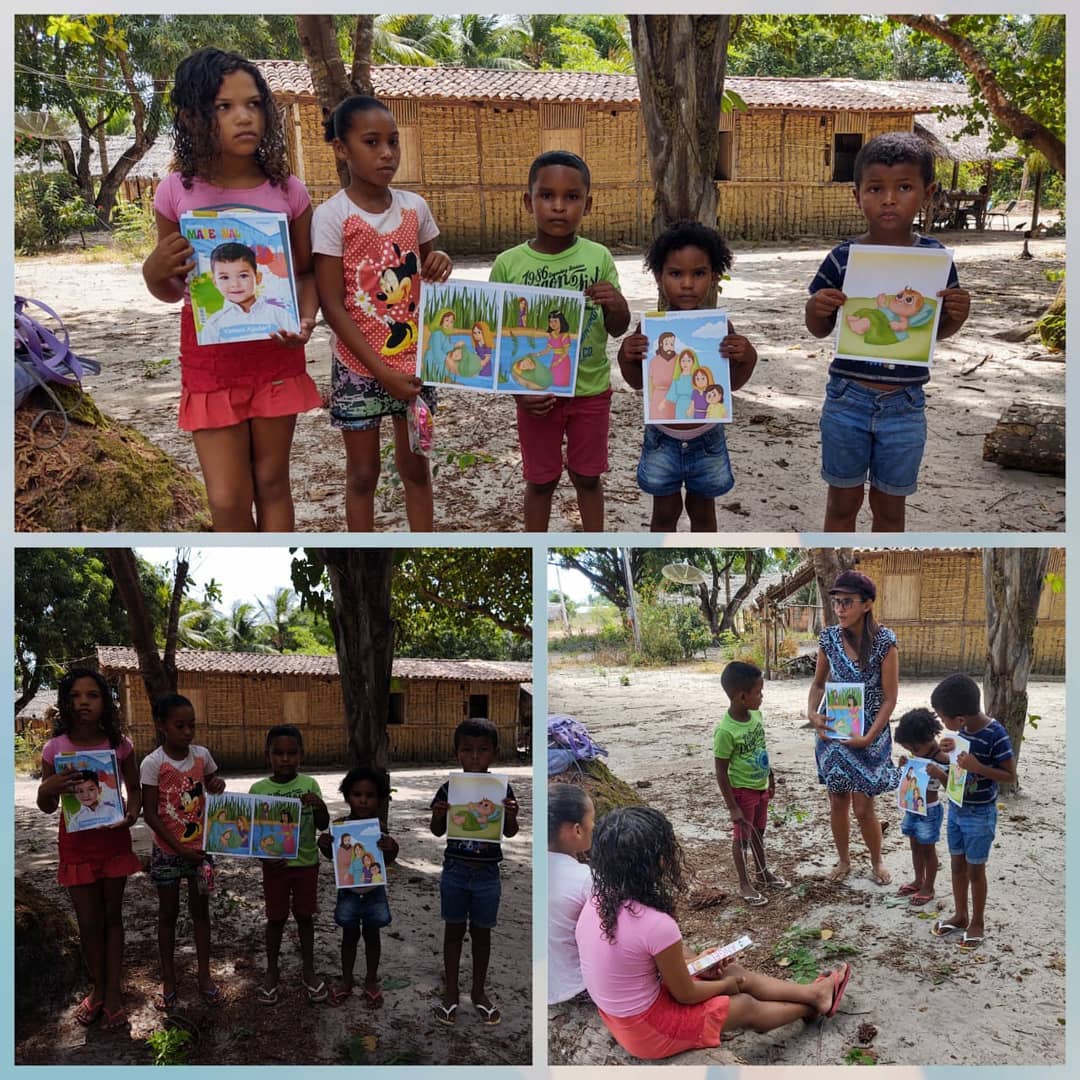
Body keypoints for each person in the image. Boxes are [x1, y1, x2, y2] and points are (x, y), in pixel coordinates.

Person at [142, 48, 321, 531]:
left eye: (254, 104)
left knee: (273, 483)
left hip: (275, 353)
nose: (244, 117)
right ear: (191, 116)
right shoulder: (176, 192)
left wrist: (306, 319)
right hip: (210, 357)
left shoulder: (288, 191)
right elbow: (171, 288)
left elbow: (304, 274)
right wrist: (153, 270)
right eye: (224, 106)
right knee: (225, 498)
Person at [575, 806, 850, 1060]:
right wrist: (725, 988)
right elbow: (686, 994)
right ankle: (813, 1005)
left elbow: (643, 963)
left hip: (622, 1015)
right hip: (649, 1031)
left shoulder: (600, 897)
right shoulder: (655, 924)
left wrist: (698, 965)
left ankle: (815, 995)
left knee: (730, 971)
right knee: (743, 1004)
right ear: (659, 861)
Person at [805, 132, 971, 532]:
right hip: (847, 400)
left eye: (905, 187)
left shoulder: (935, 260)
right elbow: (817, 329)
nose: (889, 199)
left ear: (927, 193)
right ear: (856, 194)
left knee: (890, 509)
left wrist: (957, 314)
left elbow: (933, 332)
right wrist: (818, 306)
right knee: (842, 504)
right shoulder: (842, 258)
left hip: (906, 406)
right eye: (876, 188)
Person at [312, 95, 452, 531]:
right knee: (362, 476)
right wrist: (379, 371)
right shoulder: (333, 216)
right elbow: (332, 305)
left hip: (413, 365)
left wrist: (441, 261)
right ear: (341, 148)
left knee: (415, 470)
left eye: (393, 141)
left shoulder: (414, 209)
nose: (387, 153)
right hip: (357, 367)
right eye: (371, 142)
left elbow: (432, 272)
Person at [490, 150, 630, 531]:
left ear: (588, 204)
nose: (558, 206)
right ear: (527, 201)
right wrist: (519, 393)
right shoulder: (508, 264)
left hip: (590, 392)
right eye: (546, 195)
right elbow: (495, 340)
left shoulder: (598, 257)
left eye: (572, 197)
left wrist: (616, 303)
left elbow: (617, 327)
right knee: (541, 481)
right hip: (535, 396)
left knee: (587, 478)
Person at [618, 220, 758, 531]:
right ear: (659, 277)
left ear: (714, 277)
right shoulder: (650, 330)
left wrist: (746, 355)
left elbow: (730, 384)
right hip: (662, 438)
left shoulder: (720, 329)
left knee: (703, 509)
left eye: (698, 273)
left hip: (706, 437)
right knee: (665, 511)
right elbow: (636, 381)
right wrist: (627, 354)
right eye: (676, 273)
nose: (687, 283)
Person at [37, 670, 142, 1030]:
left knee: (113, 918)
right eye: (77, 695)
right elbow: (48, 808)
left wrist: (131, 815)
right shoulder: (54, 749)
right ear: (66, 702)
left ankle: (112, 992)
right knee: (88, 922)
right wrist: (46, 788)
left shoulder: (120, 745)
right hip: (76, 848)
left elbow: (135, 792)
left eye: (93, 695)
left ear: (105, 702)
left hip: (113, 843)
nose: (84, 701)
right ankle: (98, 988)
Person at [807, 571, 898, 886]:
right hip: (836, 729)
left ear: (868, 604)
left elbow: (889, 698)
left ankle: (877, 861)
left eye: (847, 602)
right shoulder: (829, 639)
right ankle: (844, 861)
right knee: (838, 800)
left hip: (870, 730)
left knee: (863, 806)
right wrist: (813, 714)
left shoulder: (885, 642)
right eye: (837, 602)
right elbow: (818, 685)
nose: (840, 609)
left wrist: (869, 737)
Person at [430, 718, 519, 1025]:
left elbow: (510, 833)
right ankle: (451, 992)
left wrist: (510, 814)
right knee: (453, 932)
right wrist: (439, 814)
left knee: (482, 935)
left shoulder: (502, 789)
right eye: (467, 750)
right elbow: (437, 831)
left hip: (487, 876)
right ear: (458, 754)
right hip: (454, 871)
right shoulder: (448, 789)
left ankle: (478, 992)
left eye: (483, 750)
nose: (475, 757)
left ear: (494, 753)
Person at [140, 693, 226, 1010]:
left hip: (201, 851)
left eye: (192, 725)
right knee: (168, 915)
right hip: (167, 852)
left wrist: (217, 785)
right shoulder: (152, 764)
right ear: (162, 726)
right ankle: (169, 978)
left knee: (201, 913)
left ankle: (204, 975)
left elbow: (213, 785)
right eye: (180, 725)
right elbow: (150, 814)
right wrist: (178, 849)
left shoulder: (202, 756)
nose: (188, 732)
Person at [929, 674, 1016, 950]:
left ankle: (977, 921)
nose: (943, 724)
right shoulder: (960, 732)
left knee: (975, 870)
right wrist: (945, 753)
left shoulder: (996, 734)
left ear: (960, 718)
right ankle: (961, 914)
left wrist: (978, 767)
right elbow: (957, 763)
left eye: (943, 718)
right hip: (956, 809)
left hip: (980, 814)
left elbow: (1009, 776)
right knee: (957, 864)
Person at [249, 724, 330, 1004]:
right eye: (279, 753)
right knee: (276, 919)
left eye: (292, 753)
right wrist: (265, 859)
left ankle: (309, 971)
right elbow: (252, 836)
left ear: (301, 755)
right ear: (267, 755)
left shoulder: (310, 785)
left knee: (306, 918)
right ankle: (272, 973)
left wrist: (319, 805)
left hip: (306, 864)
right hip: (275, 868)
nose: (285, 759)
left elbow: (323, 825)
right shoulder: (258, 789)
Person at [318, 767, 399, 1007]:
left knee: (372, 936)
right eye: (357, 794)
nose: (363, 800)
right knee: (349, 937)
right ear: (347, 796)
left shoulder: (379, 827)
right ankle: (346, 981)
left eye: (370, 795)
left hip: (374, 891)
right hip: (349, 892)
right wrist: (324, 844)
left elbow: (387, 859)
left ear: (379, 798)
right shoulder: (340, 826)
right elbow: (334, 857)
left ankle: (371, 981)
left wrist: (391, 846)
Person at [714, 661, 785, 906]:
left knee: (759, 832)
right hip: (743, 792)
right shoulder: (726, 731)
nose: (762, 696)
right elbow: (721, 772)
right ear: (742, 696)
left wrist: (771, 777)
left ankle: (762, 872)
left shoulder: (755, 716)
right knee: (742, 839)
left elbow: (761, 748)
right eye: (758, 692)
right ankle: (745, 884)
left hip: (760, 787)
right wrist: (732, 806)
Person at [547, 784, 595, 1005]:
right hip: (576, 985)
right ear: (577, 829)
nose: (594, 827)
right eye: (591, 822)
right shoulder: (586, 878)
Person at [199, 242, 298, 344]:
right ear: (215, 282)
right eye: (224, 277)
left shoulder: (279, 314)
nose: (234, 284)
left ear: (258, 277)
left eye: (243, 276)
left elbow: (294, 340)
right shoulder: (214, 323)